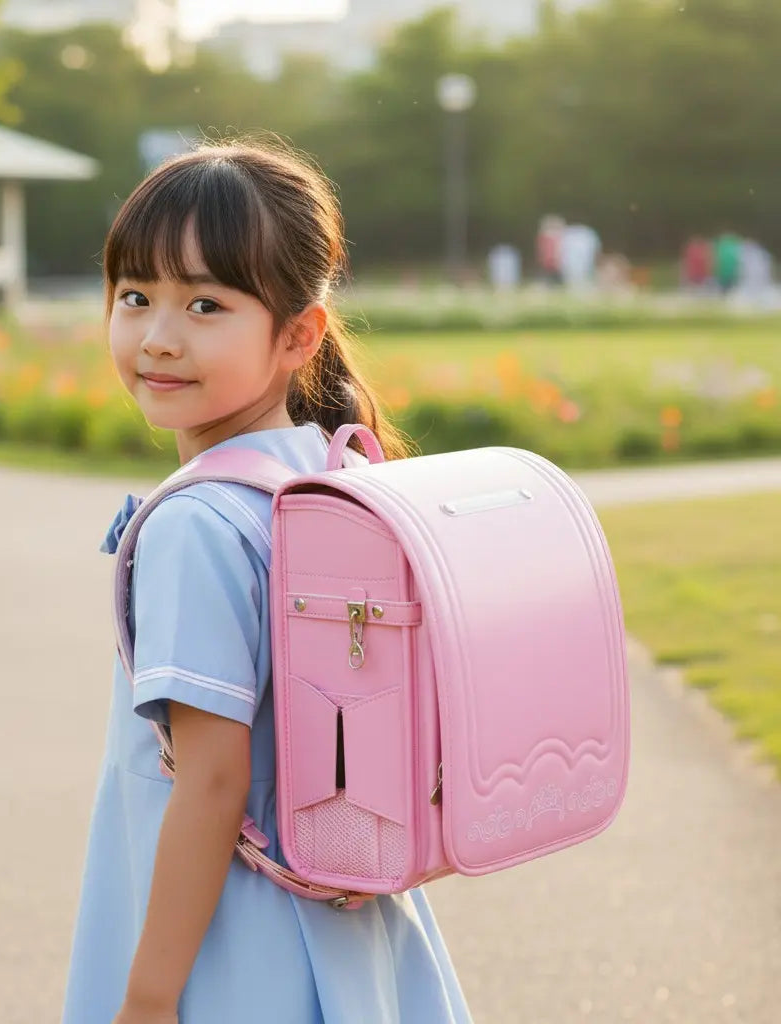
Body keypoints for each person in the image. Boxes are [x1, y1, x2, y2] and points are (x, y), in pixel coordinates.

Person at [62, 141, 473, 1024]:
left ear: (298, 334)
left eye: (206, 304)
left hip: (230, 943)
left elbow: (211, 784)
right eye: (136, 297)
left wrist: (146, 996)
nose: (159, 336)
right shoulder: (326, 479)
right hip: (339, 917)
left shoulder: (196, 525)